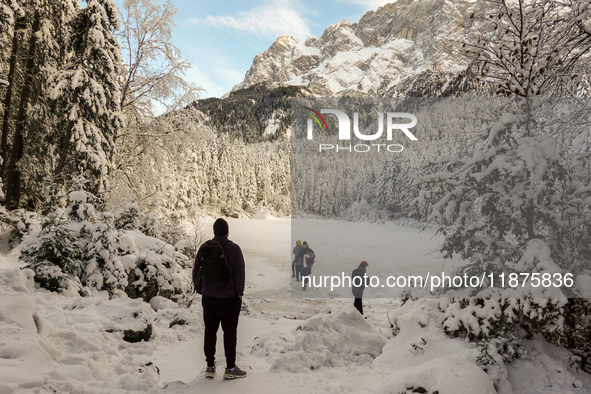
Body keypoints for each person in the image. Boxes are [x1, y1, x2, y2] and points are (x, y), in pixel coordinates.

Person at [193, 218, 247, 380]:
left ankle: (210, 366)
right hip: (229, 298)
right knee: (230, 333)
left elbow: (196, 270)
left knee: (210, 331)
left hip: (209, 297)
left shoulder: (205, 247)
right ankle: (230, 368)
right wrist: (239, 293)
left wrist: (200, 289)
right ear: (227, 231)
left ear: (214, 231)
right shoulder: (234, 249)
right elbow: (240, 274)